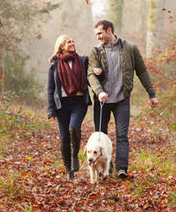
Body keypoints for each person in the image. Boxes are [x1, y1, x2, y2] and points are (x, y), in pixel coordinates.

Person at [88, 20, 158, 179]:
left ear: (109, 30)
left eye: (100, 33)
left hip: (122, 100)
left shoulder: (130, 48)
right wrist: (99, 91)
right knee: (101, 135)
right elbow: (90, 75)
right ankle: (104, 169)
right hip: (102, 101)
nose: (98, 37)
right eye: (96, 34)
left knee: (122, 135)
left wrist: (151, 94)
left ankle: (121, 169)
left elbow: (142, 71)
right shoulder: (96, 51)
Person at [47, 35, 92, 180]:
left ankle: (75, 156)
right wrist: (51, 110)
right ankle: (69, 170)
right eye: (69, 42)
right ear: (61, 46)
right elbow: (50, 88)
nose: (72, 44)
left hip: (79, 101)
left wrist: (100, 72)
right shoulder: (54, 64)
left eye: (73, 41)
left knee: (74, 127)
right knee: (64, 137)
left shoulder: (83, 61)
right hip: (62, 105)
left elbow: (92, 77)